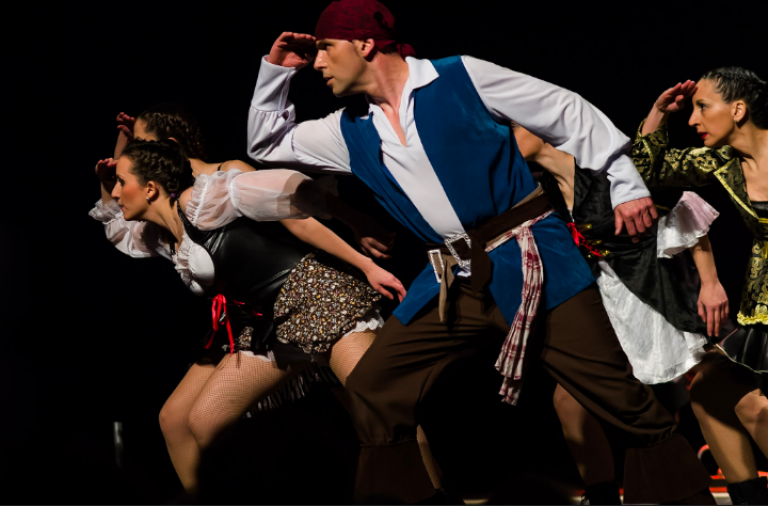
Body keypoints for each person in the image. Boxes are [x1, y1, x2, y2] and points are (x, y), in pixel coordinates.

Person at [246, 0, 715, 503]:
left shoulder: (459, 77)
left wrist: (626, 183)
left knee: (618, 397)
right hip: (453, 277)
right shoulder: (347, 128)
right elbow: (265, 144)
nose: (317, 63)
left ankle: (682, 498)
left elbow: (566, 110)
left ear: (364, 44)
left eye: (325, 48)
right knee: (374, 387)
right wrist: (276, 71)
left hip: (534, 259)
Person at [91, 109, 444, 499]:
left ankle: (434, 496)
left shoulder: (207, 196)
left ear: (151, 185)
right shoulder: (158, 232)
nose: (115, 192)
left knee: (383, 407)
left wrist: (364, 260)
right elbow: (116, 227)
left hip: (313, 298)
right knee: (203, 421)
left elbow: (291, 200)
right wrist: (114, 168)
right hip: (267, 322)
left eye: (121, 181)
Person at [514, 123, 728, 504]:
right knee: (568, 399)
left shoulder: (601, 168)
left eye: (514, 128)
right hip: (606, 301)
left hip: (656, 287)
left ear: (540, 128)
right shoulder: (546, 190)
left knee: (712, 384)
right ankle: (603, 496)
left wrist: (710, 283)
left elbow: (679, 212)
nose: (507, 138)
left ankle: (737, 484)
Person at [632, 67, 768, 505]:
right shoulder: (723, 161)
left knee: (752, 404)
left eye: (702, 107)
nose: (693, 120)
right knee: (708, 388)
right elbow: (644, 170)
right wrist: (659, 113)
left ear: (738, 109)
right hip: (761, 301)